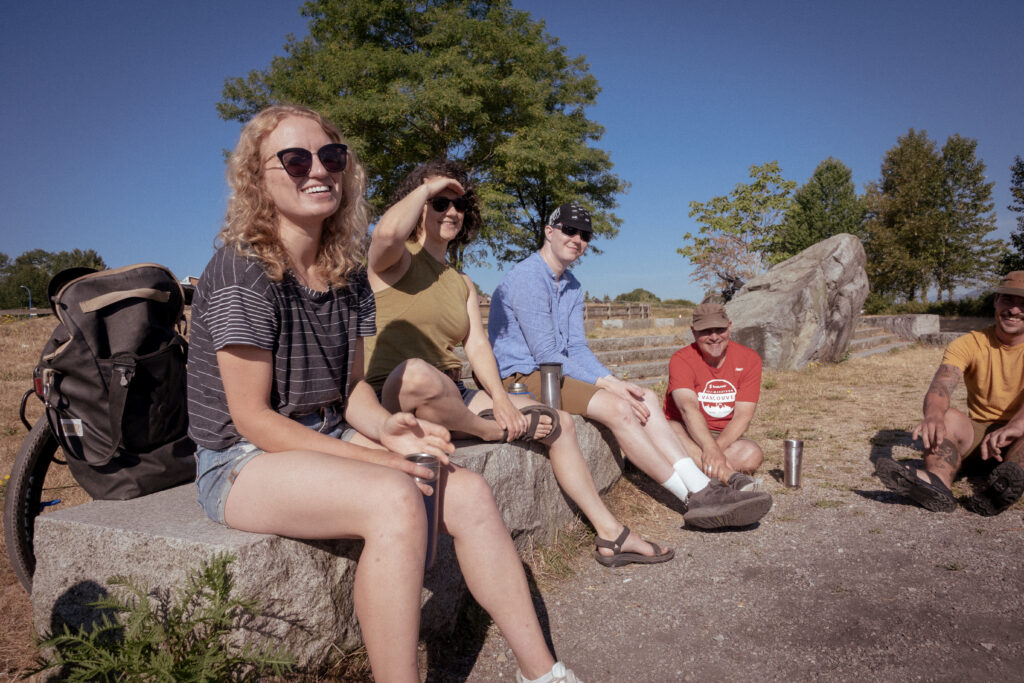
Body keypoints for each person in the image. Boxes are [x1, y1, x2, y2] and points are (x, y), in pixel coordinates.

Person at [186, 106, 580, 683]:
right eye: (294, 159)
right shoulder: (242, 270)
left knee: (468, 493)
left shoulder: (346, 276)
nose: (317, 170)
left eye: (331, 157)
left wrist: (387, 427)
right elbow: (252, 420)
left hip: (323, 435)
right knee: (395, 496)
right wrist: (379, 458)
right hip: (240, 461)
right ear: (257, 178)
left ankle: (543, 673)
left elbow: (351, 396)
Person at [365, 159, 673, 571]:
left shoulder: (462, 282)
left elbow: (476, 346)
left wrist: (501, 399)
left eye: (459, 205)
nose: (452, 211)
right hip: (396, 388)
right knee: (418, 373)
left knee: (556, 421)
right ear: (418, 204)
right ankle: (486, 430)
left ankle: (610, 533)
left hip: (451, 391)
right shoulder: (395, 259)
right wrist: (426, 186)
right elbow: (386, 232)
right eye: (440, 202)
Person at [488, 203, 772, 530]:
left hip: (554, 371)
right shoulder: (527, 277)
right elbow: (546, 352)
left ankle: (703, 486)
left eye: (585, 234)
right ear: (549, 232)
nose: (577, 239)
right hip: (522, 376)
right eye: (569, 230)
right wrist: (609, 386)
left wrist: (612, 380)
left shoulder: (572, 285)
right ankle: (692, 498)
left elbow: (576, 347)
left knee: (645, 399)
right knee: (619, 408)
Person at [875, 272, 1024, 515]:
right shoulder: (970, 343)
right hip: (979, 438)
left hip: (1019, 436)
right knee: (947, 417)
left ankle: (1003, 488)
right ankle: (937, 482)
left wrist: (1016, 426)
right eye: (1008, 300)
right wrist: (933, 415)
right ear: (996, 300)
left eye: (1023, 304)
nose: (1014, 310)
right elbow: (942, 385)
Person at [663, 302, 766, 483]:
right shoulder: (681, 360)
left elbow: (743, 416)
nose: (714, 337)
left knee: (752, 454)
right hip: (687, 431)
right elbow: (688, 408)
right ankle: (727, 476)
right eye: (705, 331)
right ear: (694, 332)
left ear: (730, 327)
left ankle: (694, 468)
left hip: (723, 436)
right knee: (670, 429)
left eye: (720, 330)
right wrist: (710, 450)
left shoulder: (749, 359)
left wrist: (715, 451)